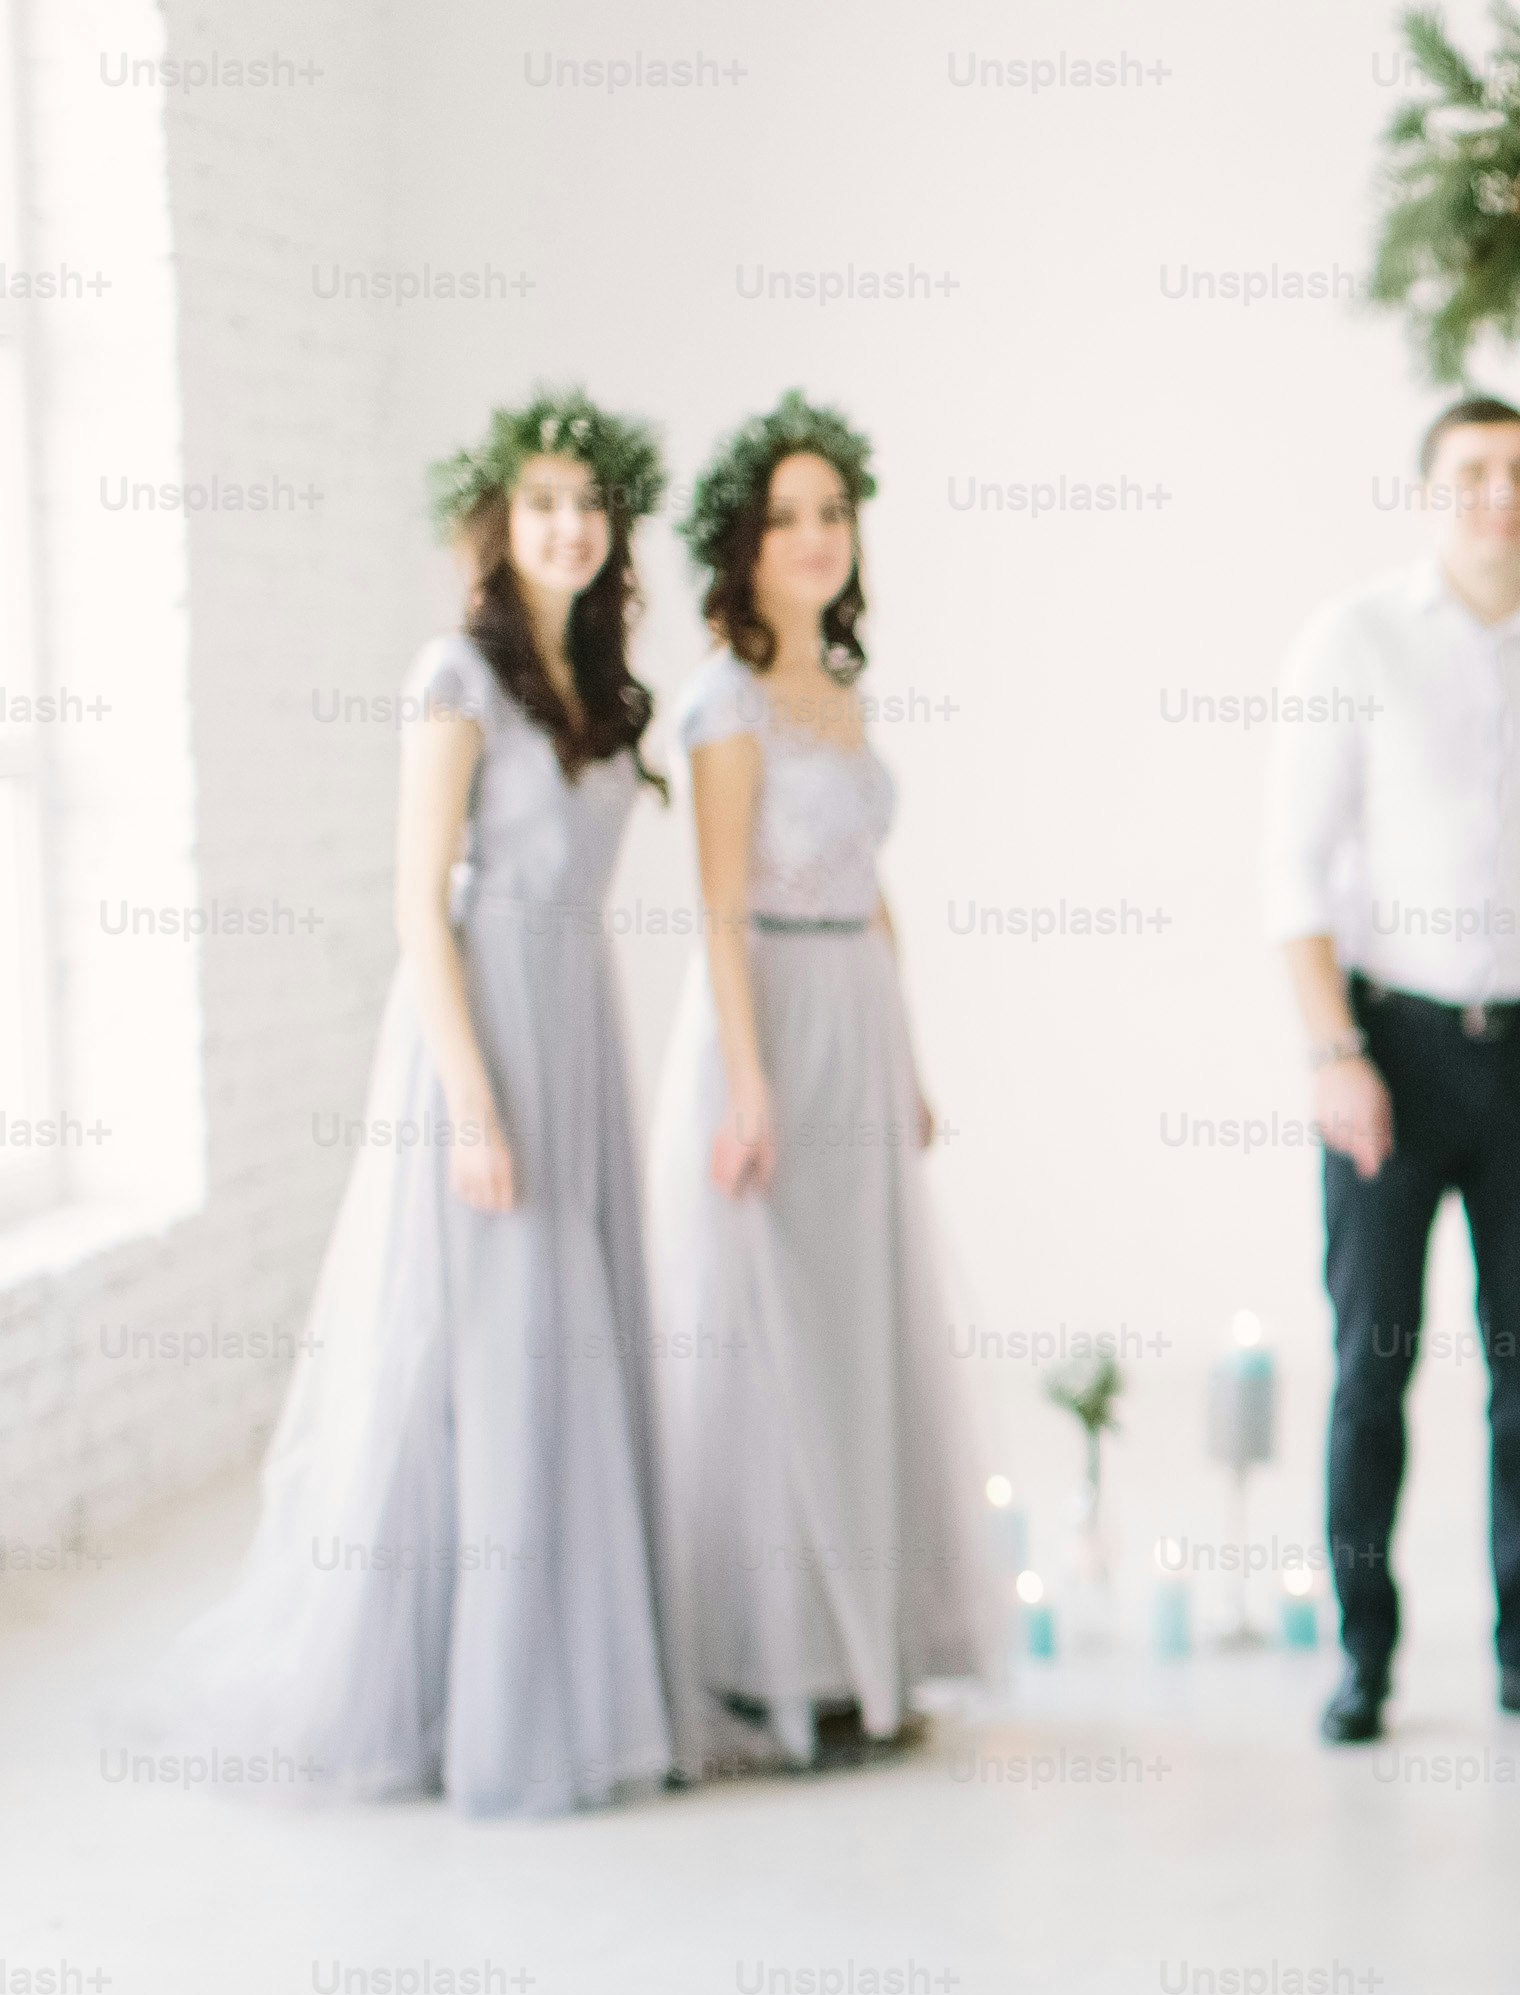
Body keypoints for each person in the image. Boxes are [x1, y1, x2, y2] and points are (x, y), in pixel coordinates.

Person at [154, 392, 689, 1815]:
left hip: (578, 1020)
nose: (566, 526)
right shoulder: (457, 678)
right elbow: (415, 899)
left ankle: (590, 1684)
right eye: (539, 506)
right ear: (498, 526)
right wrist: (470, 1100)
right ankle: (487, 1708)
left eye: (588, 506)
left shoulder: (603, 688)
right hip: (485, 1029)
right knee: (499, 1351)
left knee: (575, 1346)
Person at [1267, 395, 1520, 1742]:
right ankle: (1363, 1656)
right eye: (1474, 472)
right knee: (1372, 1366)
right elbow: (1292, 875)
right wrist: (1334, 1054)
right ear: (1430, 491)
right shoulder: (1355, 639)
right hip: (1389, 1053)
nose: (1501, 494)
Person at [648, 393, 1005, 1765]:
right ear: (742, 543)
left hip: (855, 1010)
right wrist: (749, 1084)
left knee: (861, 1333)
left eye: (833, 514)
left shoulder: (840, 693)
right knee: (771, 1337)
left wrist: (906, 1057)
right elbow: (720, 905)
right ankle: (770, 1663)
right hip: (772, 1018)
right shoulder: (723, 704)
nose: (813, 538)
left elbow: (872, 889)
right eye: (785, 517)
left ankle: (873, 1654)